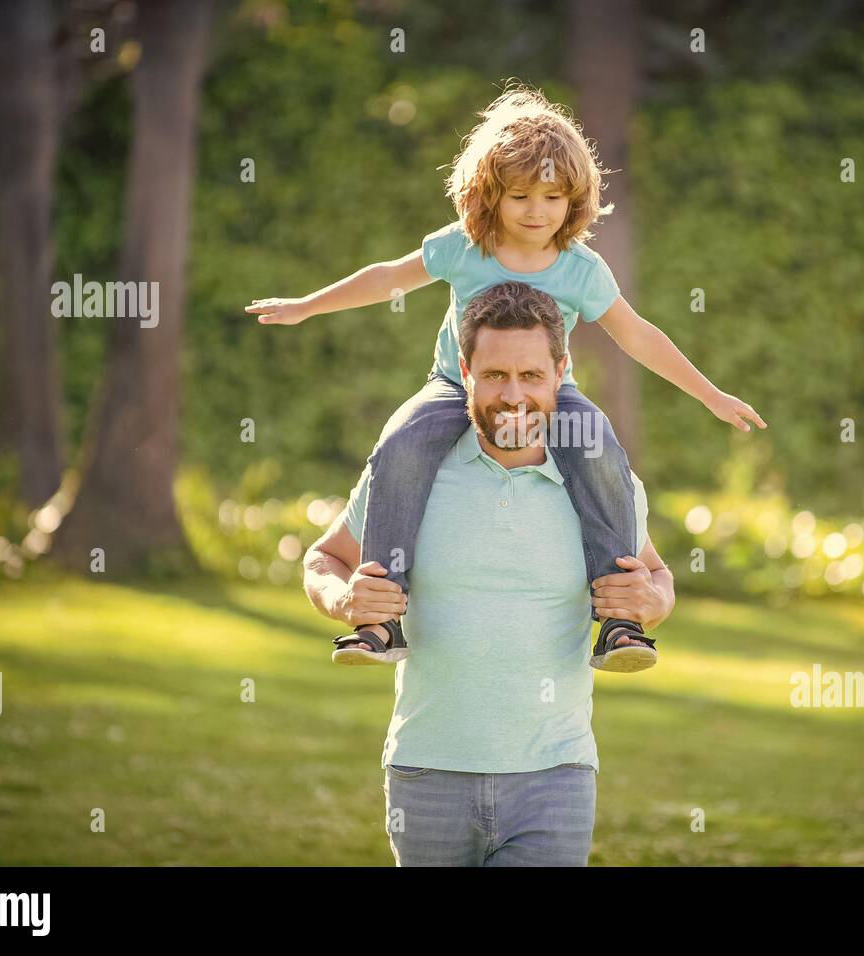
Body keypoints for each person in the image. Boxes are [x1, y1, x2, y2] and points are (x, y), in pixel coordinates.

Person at [252, 83, 762, 668]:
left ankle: (621, 622)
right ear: (488, 194)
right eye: (519, 195)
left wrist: (712, 395)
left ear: (575, 199)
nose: (535, 210)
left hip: (553, 393)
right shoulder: (466, 247)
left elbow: (638, 335)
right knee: (401, 444)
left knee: (597, 446)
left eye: (552, 196)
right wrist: (306, 305)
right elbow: (387, 277)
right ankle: (378, 619)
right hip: (454, 385)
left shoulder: (580, 269)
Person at [302, 282, 675, 865]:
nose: (514, 395)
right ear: (463, 371)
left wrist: (652, 601)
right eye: (495, 374)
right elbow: (323, 558)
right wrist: (341, 598)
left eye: (531, 376)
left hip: (556, 774)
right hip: (426, 771)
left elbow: (655, 573)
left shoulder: (605, 486)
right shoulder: (408, 473)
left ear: (561, 372)